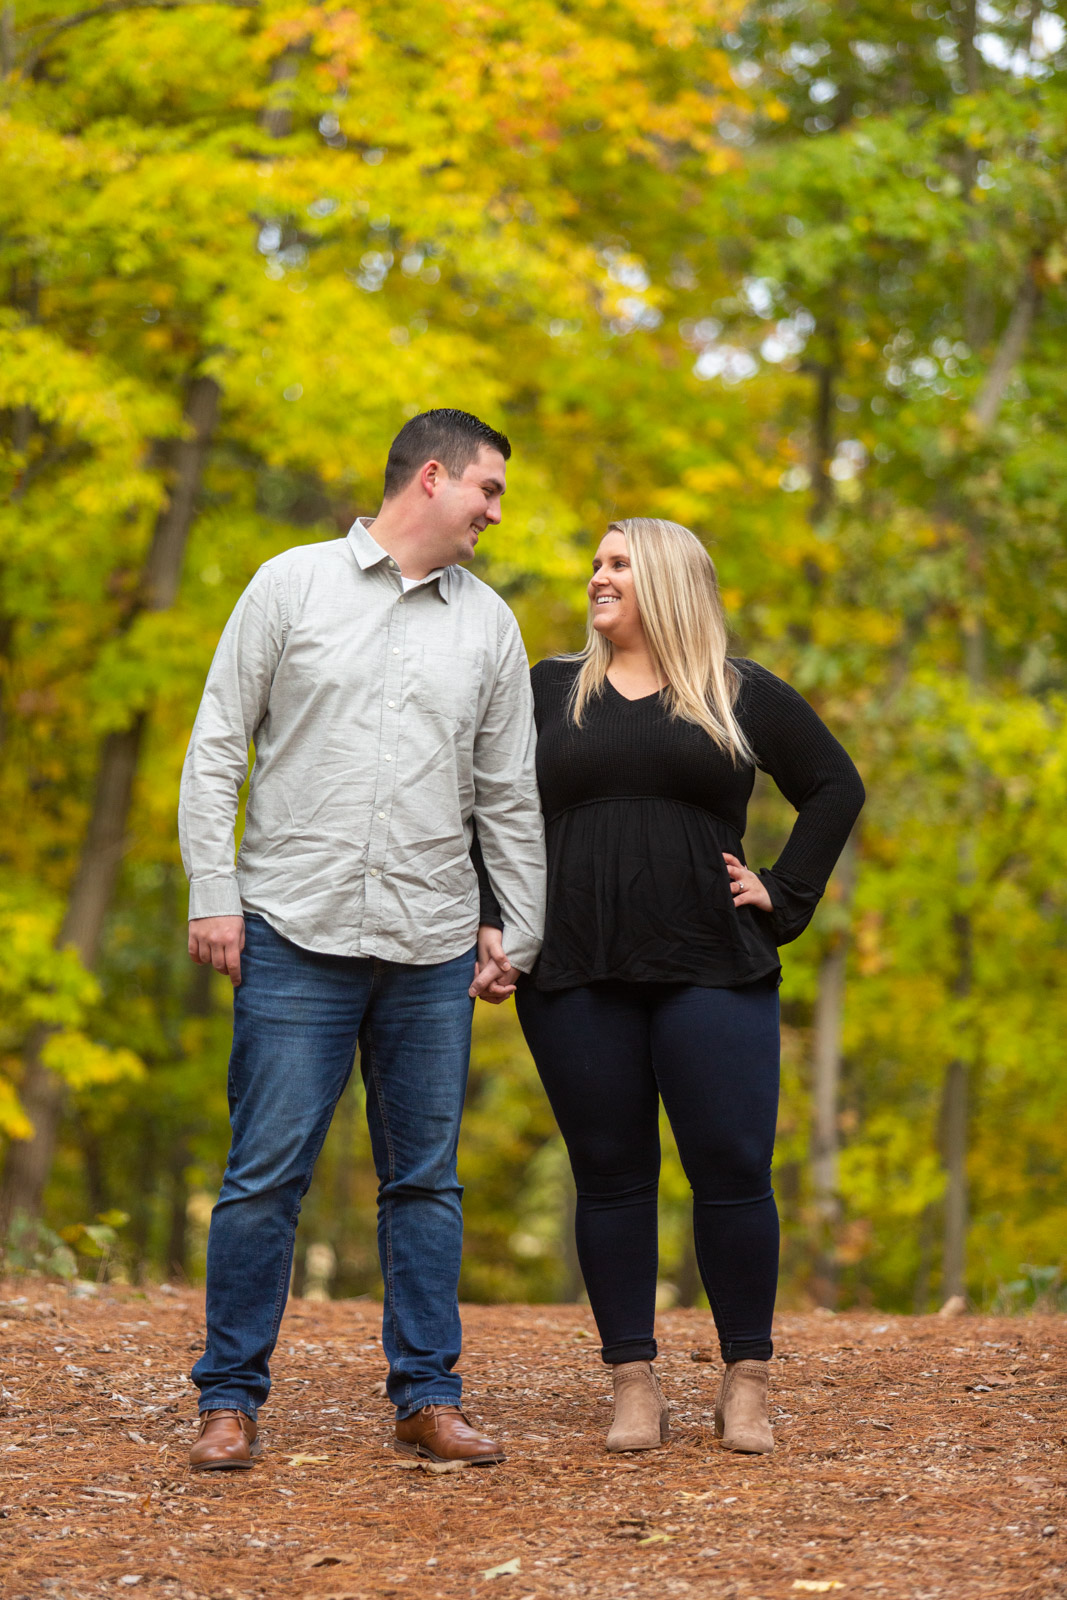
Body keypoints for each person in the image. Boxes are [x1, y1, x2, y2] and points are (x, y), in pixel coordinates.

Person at [178, 409, 545, 1471]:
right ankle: (228, 1398)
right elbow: (215, 747)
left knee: (425, 1181)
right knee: (263, 1175)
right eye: (488, 490)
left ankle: (428, 1396)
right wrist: (216, 890)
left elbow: (505, 796)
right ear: (432, 479)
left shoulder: (490, 625)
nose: (493, 513)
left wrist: (512, 927)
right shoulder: (288, 585)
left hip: (430, 943)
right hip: (295, 930)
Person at [472, 518, 864, 1455]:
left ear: (667, 583)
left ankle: (745, 1383)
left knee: (730, 1169)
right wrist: (493, 917)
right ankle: (632, 1383)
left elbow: (834, 786)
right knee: (608, 1177)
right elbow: (488, 807)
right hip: (572, 964)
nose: (596, 577)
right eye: (597, 563)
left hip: (713, 960)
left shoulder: (732, 691)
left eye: (617, 565)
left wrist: (783, 889)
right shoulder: (546, 692)